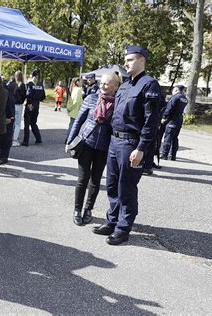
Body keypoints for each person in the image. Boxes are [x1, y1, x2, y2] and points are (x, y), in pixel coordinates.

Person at [92, 45, 160, 245]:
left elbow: (151, 122)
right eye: (126, 59)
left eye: (130, 59)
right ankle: (112, 222)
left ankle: (123, 228)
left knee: (126, 187)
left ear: (142, 60)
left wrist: (142, 148)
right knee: (112, 185)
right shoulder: (125, 85)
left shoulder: (149, 85)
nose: (126, 63)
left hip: (131, 143)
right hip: (115, 140)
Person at [67, 72, 120, 226]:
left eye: (106, 83)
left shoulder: (118, 104)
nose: (102, 86)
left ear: (115, 86)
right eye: (101, 83)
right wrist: (70, 140)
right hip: (87, 144)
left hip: (104, 147)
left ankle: (88, 209)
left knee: (95, 181)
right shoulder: (91, 99)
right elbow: (78, 121)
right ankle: (77, 210)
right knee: (82, 179)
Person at [161, 84, 188, 161]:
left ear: (176, 89)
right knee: (175, 138)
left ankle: (164, 154)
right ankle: (173, 156)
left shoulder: (175, 97)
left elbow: (169, 108)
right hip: (179, 119)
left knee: (168, 137)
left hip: (172, 119)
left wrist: (164, 117)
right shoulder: (185, 99)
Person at [21, 69, 45, 146]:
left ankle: (26, 141)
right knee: (33, 123)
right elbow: (43, 96)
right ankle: (38, 139)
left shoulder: (30, 83)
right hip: (37, 105)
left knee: (27, 124)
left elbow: (28, 94)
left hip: (30, 105)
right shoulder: (41, 84)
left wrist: (29, 103)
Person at [11, 70, 26, 147]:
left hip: (13, 104)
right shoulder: (22, 85)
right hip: (19, 105)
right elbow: (24, 96)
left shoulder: (13, 84)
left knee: (13, 122)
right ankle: (15, 139)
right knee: (17, 123)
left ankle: (12, 137)